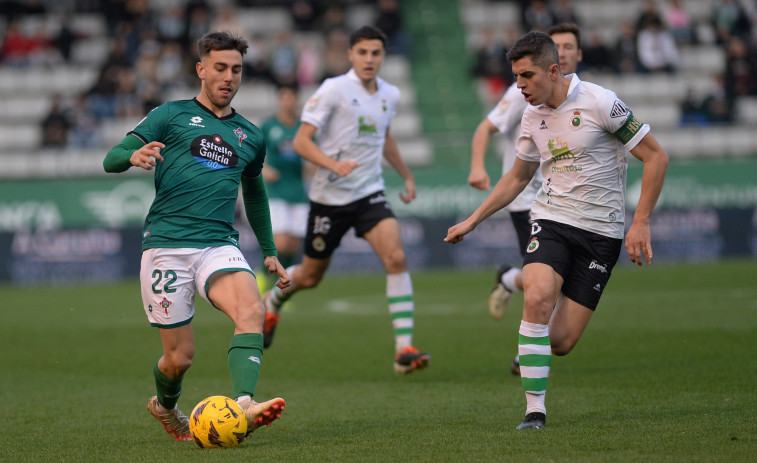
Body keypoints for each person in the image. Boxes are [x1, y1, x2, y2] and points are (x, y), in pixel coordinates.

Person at [446, 31, 668, 430]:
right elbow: (517, 178)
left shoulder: (601, 102)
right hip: (552, 219)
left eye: (527, 76)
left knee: (562, 342)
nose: (519, 85)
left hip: (602, 233)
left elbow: (656, 157)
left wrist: (641, 221)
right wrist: (473, 220)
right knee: (537, 296)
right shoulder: (531, 116)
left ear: (554, 70)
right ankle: (535, 411)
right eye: (516, 77)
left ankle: (531, 351)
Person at [102, 31, 291, 442]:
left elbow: (254, 193)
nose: (228, 77)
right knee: (179, 358)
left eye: (236, 70)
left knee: (251, 310)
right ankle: (165, 407)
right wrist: (132, 155)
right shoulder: (169, 115)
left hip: (218, 244)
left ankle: (244, 405)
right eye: (220, 68)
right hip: (166, 247)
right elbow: (110, 158)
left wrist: (271, 251)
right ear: (201, 70)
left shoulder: (250, 136)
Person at [261, 26, 431, 375]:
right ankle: (274, 299)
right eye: (363, 52)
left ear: (383, 56)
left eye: (376, 53)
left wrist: (407, 175)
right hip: (329, 198)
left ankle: (404, 349)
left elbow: (385, 138)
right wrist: (333, 164)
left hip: (369, 193)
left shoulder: (390, 94)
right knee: (310, 276)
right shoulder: (333, 90)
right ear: (351, 55)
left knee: (396, 257)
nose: (370, 59)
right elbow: (303, 143)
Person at [467, 23, 583, 376]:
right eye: (557, 46)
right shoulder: (524, 92)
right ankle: (529, 353)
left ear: (577, 55)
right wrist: (477, 167)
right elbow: (486, 127)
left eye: (568, 47)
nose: (562, 51)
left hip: (569, 203)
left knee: (556, 281)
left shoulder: (586, 98)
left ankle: (506, 280)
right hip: (528, 200)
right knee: (546, 284)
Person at [259, 84, 312, 281]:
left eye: (292, 97)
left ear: (297, 100)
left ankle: (282, 287)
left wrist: (312, 166)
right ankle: (263, 276)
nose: (288, 102)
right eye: (284, 97)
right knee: (280, 244)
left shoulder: (304, 128)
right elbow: (251, 153)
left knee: (293, 246)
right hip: (276, 190)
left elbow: (313, 153)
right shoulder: (268, 126)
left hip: (298, 190)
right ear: (279, 100)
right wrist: (263, 169)